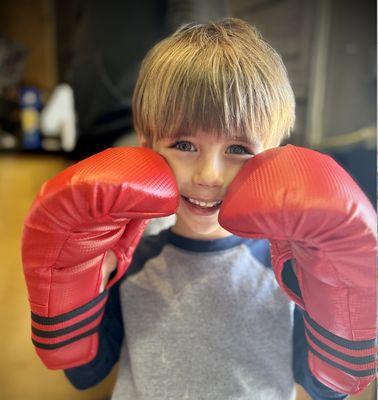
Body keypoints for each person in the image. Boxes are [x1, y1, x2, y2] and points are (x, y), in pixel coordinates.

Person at [22, 18, 375, 400]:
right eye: (185, 145)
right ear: (147, 146)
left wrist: (335, 286)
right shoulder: (131, 255)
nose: (209, 175)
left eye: (238, 150)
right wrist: (81, 276)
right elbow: (86, 373)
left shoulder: (286, 265)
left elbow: (325, 385)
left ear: (271, 157)